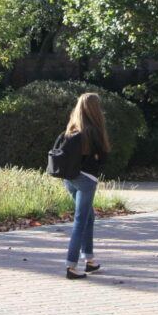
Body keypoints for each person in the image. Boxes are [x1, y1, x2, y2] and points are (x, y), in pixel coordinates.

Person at [60, 92, 110, 280]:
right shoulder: (94, 130)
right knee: (81, 220)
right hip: (86, 179)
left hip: (69, 178)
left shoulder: (71, 128)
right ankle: (71, 266)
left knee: (89, 216)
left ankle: (89, 260)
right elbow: (103, 159)